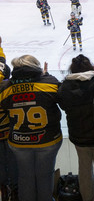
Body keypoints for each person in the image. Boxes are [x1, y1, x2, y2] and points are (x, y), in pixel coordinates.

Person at [0, 55, 62, 201]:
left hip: (18, 141)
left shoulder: (4, 89)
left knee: (25, 176)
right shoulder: (50, 84)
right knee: (45, 176)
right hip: (47, 140)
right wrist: (46, 76)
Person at [57, 55, 94, 201]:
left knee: (84, 170)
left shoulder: (64, 87)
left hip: (78, 136)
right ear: (90, 67)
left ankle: (87, 198)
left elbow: (63, 105)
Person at [0, 37, 18, 201]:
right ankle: (13, 190)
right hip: (8, 129)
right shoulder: (7, 86)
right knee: (12, 162)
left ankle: (5, 190)